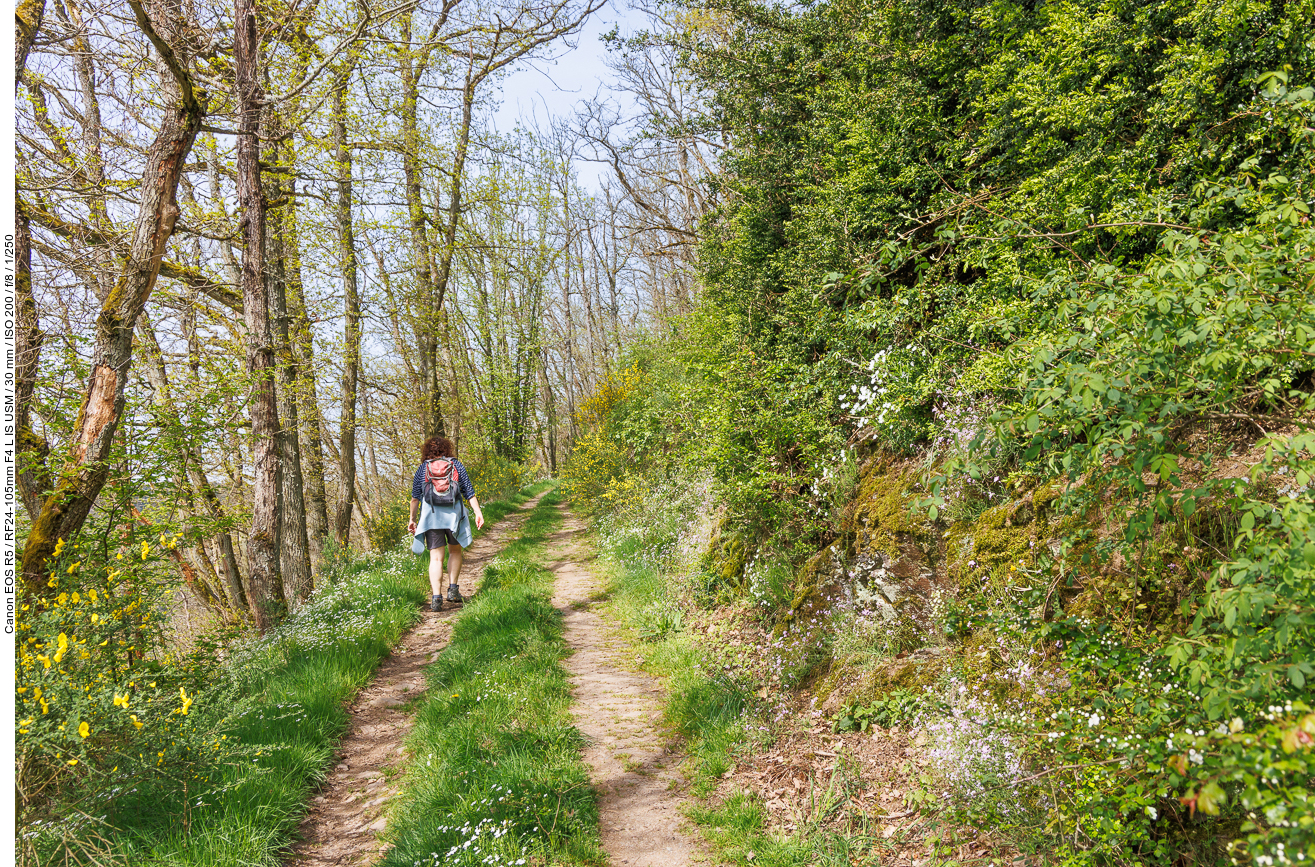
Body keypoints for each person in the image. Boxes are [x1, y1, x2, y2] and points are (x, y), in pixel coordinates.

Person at [407, 436, 485, 611]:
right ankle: (453, 590)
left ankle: (436, 598)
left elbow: (415, 498)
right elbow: (469, 492)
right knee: (455, 551)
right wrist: (478, 513)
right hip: (454, 517)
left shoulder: (423, 468)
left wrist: (412, 519)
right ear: (447, 449)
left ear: (427, 451)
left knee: (435, 558)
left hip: (431, 518)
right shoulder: (456, 465)